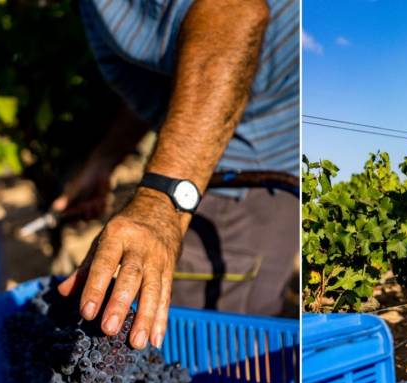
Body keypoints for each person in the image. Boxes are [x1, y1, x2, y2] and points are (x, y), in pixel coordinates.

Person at [54, 0, 299, 351]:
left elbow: (231, 10)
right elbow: (175, 66)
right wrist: (105, 159)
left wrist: (163, 199)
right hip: (222, 164)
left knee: (212, 355)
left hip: (236, 182)